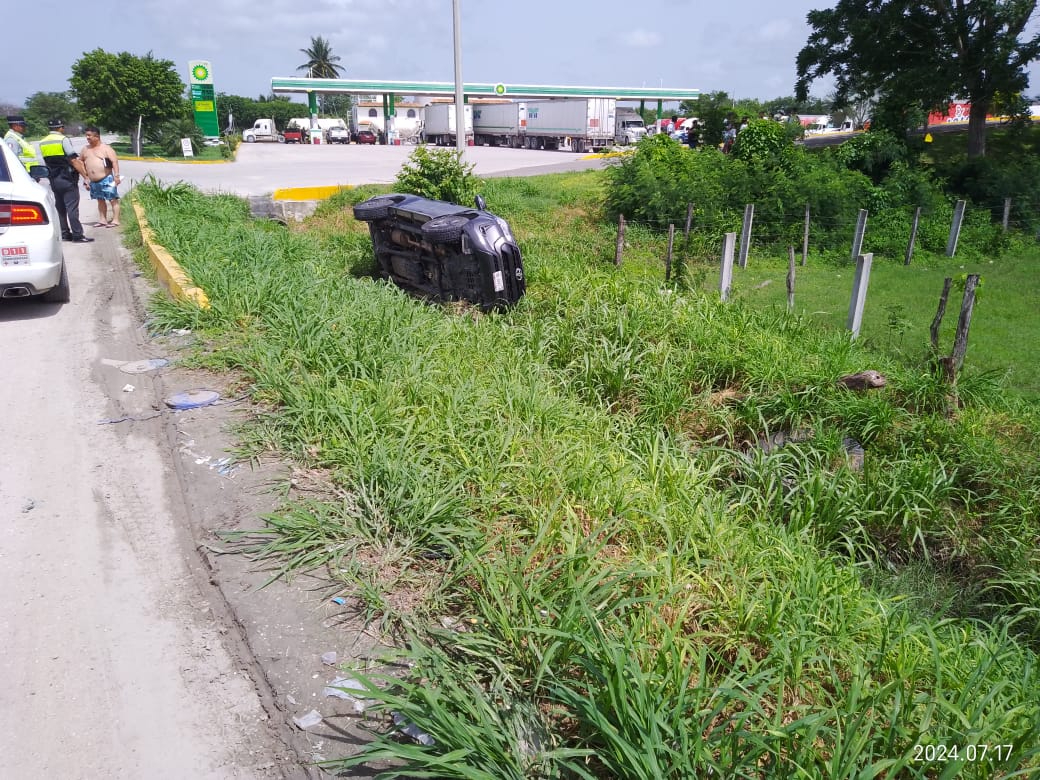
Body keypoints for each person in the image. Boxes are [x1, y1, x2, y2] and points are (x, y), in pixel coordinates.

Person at [39, 119, 93, 243]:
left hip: (53, 179)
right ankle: (78, 235)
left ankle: (65, 234)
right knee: (72, 207)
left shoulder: (43, 142)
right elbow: (74, 160)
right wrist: (85, 176)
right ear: (61, 128)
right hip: (67, 178)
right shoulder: (63, 140)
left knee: (60, 207)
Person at [79, 125, 123, 227]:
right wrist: (85, 178)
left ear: (97, 136)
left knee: (112, 199)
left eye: (89, 135)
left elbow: (114, 162)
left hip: (106, 178)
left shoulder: (106, 148)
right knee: (100, 200)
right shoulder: (85, 149)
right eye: (86, 135)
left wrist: (116, 176)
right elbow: (80, 161)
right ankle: (102, 220)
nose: (87, 138)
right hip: (93, 180)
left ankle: (115, 220)